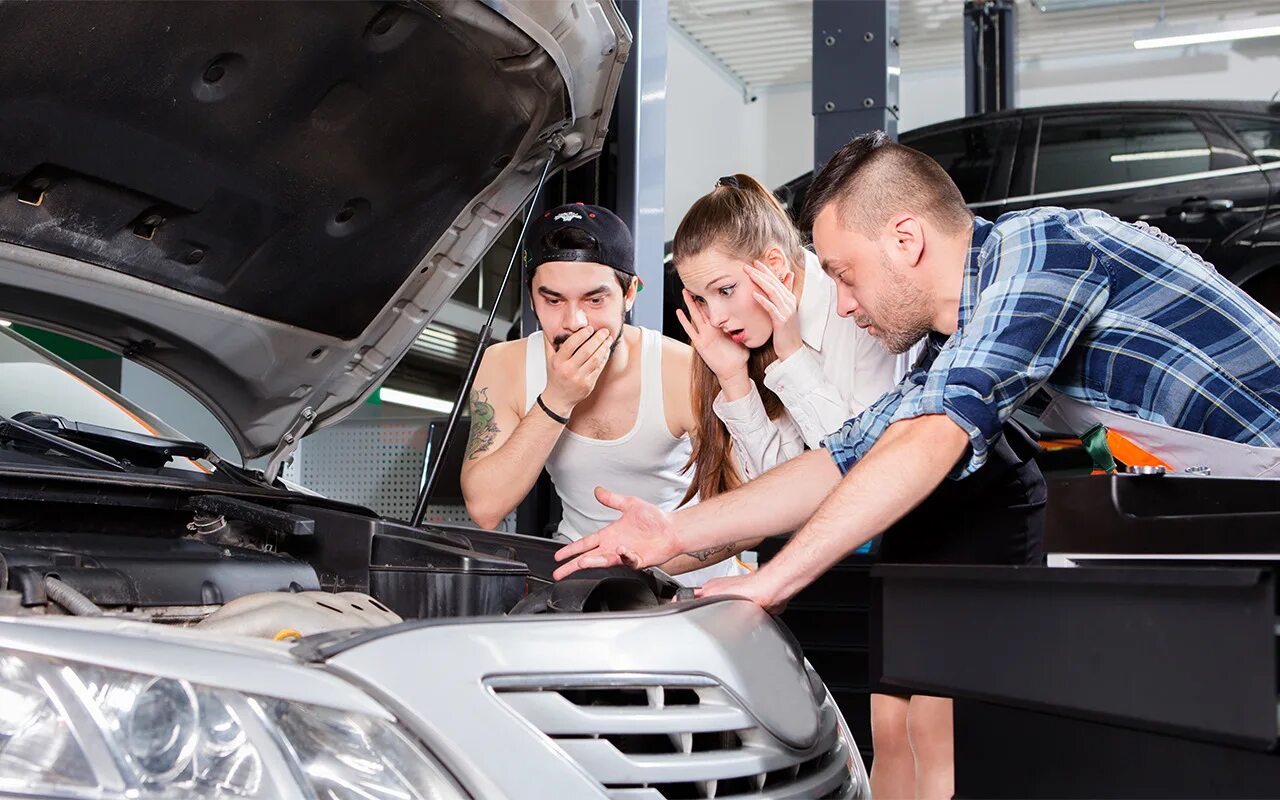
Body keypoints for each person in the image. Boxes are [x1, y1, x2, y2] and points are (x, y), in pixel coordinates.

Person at [553, 131, 1280, 797]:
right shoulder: (952, 340)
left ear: (905, 239)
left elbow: (935, 433)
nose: (839, 303)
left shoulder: (1044, 249)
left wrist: (771, 583)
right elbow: (851, 453)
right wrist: (674, 536)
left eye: (843, 273)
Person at [460, 202, 754, 585]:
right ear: (531, 297)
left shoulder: (683, 370)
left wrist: (642, 563)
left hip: (687, 577)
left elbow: (749, 514)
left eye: (595, 300)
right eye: (553, 300)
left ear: (630, 293)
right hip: (579, 577)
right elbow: (485, 508)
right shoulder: (505, 365)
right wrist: (558, 399)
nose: (574, 323)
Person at [671, 173, 908, 505]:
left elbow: (864, 466)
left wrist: (793, 355)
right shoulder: (751, 334)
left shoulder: (857, 307)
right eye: (701, 300)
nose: (715, 319)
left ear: (774, 264)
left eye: (725, 290)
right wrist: (733, 379)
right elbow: (774, 490)